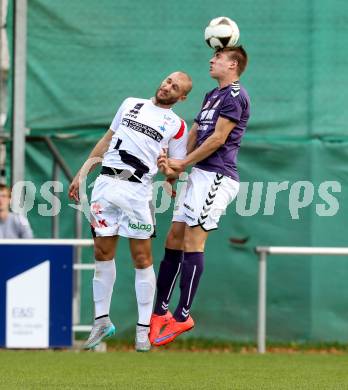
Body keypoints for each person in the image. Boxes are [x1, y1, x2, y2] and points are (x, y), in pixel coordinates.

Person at [68, 71, 192, 351]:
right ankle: (101, 321)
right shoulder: (130, 103)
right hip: (105, 185)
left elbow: (175, 166)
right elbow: (107, 139)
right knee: (101, 252)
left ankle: (143, 328)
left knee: (141, 257)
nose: (167, 86)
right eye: (167, 80)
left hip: (137, 192)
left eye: (175, 87)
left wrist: (169, 174)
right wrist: (82, 172)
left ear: (181, 97)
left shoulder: (177, 125)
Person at [150, 46, 250, 346]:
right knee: (173, 239)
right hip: (199, 175)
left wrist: (184, 162)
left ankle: (182, 316)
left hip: (218, 176)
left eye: (218, 57)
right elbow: (195, 131)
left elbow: (219, 138)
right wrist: (175, 166)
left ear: (233, 65)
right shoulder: (211, 95)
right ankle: (160, 312)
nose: (212, 59)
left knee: (194, 241)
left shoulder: (236, 95)